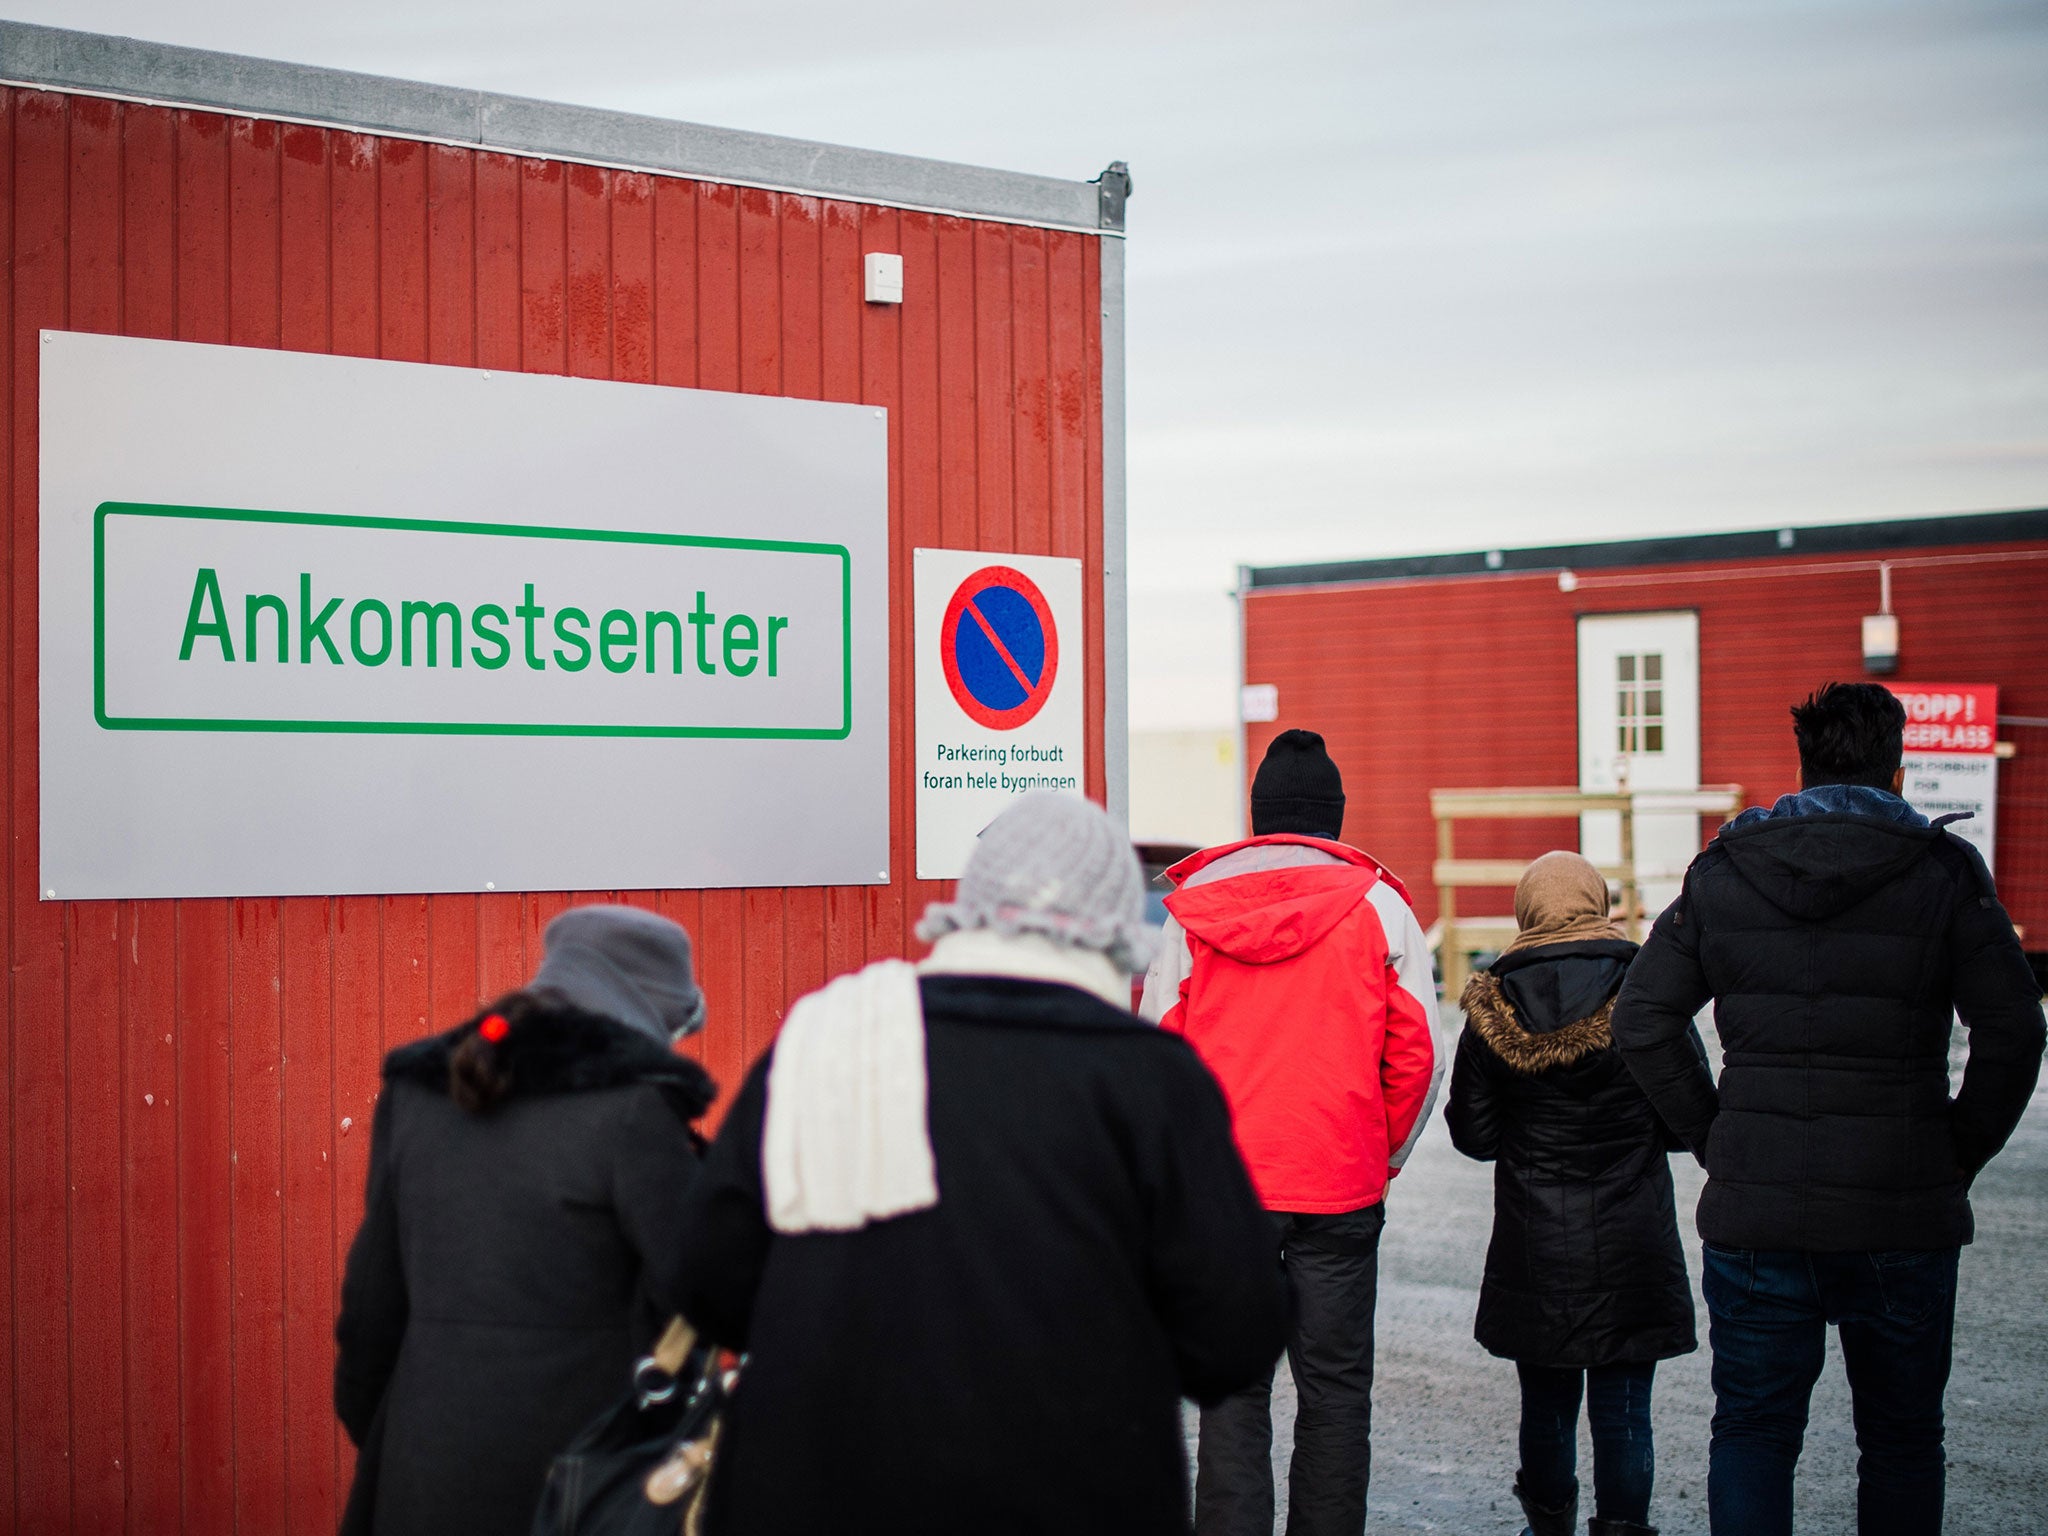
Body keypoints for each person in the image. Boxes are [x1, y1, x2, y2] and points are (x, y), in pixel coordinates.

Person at [667, 793, 1288, 1535]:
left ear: (973, 905)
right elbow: (1232, 1340)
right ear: (1115, 928)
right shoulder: (1152, 1081)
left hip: (810, 1491)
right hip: (1074, 1496)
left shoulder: (826, 1038)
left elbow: (710, 1287)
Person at [1611, 682, 2046, 1536]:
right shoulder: (1942, 872)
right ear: (1899, 768)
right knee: (1902, 1440)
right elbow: (2015, 1031)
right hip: (1902, 1206)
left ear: (1803, 764)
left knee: (1754, 1432)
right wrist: (1955, 1150)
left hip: (1759, 1210)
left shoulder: (1726, 869)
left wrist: (1716, 1138)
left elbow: (1641, 1017)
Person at [1141, 727, 1443, 1536]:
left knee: (1232, 1394)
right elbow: (1419, 1054)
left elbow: (1157, 1055)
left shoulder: (1194, 912)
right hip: (1339, 1183)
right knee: (1337, 1391)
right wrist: (1377, 1154)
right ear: (1334, 819)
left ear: (1259, 814)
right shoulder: (1382, 908)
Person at [333, 904, 716, 1536]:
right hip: (580, 1487)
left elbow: (371, 1310)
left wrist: (403, 1437)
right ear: (652, 1012)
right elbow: (695, 1295)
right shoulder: (634, 1109)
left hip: (424, 1471)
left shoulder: (422, 1093)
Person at [1447, 851, 1698, 1536]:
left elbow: (1472, 1134)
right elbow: (1689, 1120)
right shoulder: (1647, 991)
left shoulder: (1492, 1004)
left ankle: (1549, 1527)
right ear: (1600, 902)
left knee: (1548, 1406)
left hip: (1538, 1243)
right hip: (1632, 1237)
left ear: (1525, 912)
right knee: (1622, 1407)